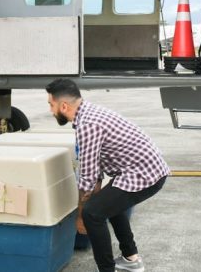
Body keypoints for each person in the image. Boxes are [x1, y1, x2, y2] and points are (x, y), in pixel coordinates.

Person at [45, 78, 169, 272]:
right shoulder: (88, 112)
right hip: (143, 170)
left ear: (63, 105)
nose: (51, 111)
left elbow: (87, 178)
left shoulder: (87, 124)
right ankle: (131, 258)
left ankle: (107, 269)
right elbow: (95, 174)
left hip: (144, 174)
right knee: (107, 204)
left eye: (51, 105)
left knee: (92, 213)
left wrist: (80, 216)